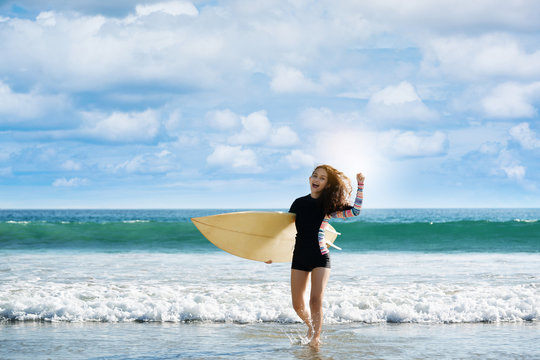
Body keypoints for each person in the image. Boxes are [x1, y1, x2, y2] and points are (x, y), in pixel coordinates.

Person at [288, 164, 364, 348]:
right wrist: (270, 254)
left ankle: (315, 338)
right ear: (309, 179)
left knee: (315, 299)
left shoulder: (328, 206)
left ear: (327, 185)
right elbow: (285, 231)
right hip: (299, 256)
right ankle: (311, 326)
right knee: (297, 305)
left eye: (322, 178)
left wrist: (360, 185)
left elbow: (355, 211)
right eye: (315, 176)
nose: (317, 180)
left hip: (320, 256)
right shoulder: (298, 203)